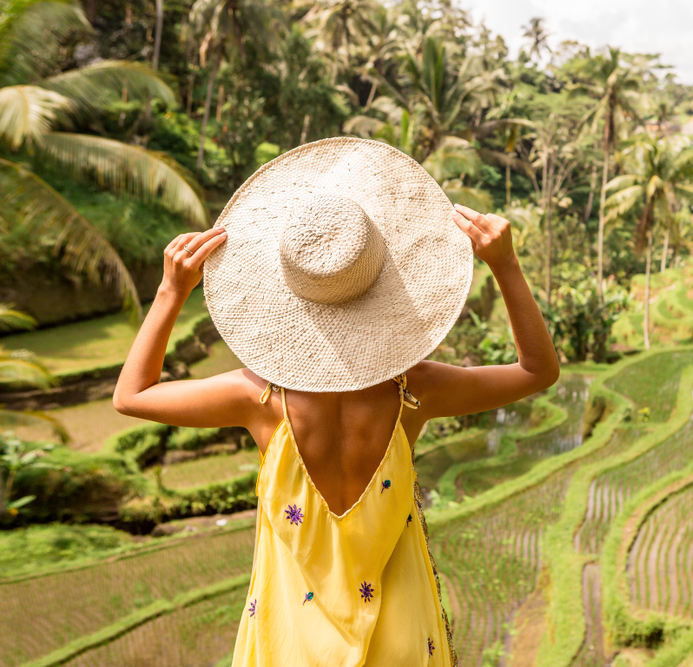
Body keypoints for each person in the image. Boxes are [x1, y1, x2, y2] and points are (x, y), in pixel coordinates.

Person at [113, 138, 559, 666]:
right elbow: (538, 370)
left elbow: (131, 395)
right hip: (401, 636)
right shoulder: (416, 389)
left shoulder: (258, 397)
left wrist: (171, 291)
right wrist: (505, 265)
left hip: (292, 641)